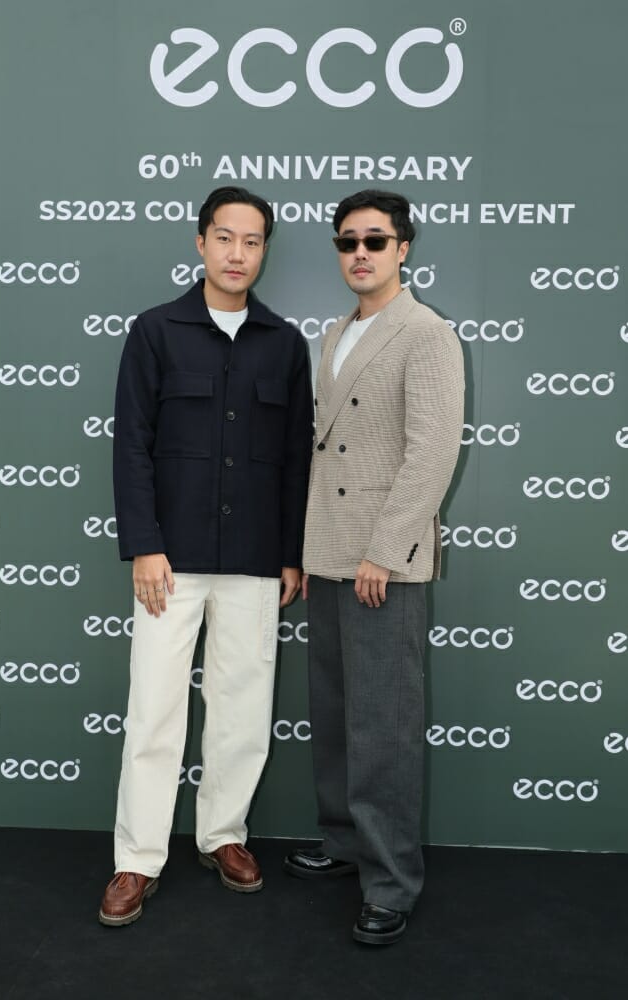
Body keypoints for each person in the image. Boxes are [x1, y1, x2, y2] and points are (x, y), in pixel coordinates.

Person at [99, 186, 313, 926]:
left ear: (264, 251)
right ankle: (137, 857)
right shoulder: (155, 331)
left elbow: (296, 459)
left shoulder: (283, 344)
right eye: (224, 237)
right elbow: (131, 444)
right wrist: (144, 545)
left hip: (255, 559)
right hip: (171, 561)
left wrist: (290, 554)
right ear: (200, 242)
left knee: (243, 711)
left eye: (251, 241)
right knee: (154, 711)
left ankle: (223, 835)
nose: (236, 253)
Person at [284, 189, 464, 945]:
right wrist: (305, 553)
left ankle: (390, 881)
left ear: (403, 249)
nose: (359, 253)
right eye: (347, 241)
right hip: (328, 552)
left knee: (383, 727)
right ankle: (344, 841)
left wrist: (385, 551)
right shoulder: (335, 332)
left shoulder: (427, 334)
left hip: (380, 563)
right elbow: (326, 453)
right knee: (333, 713)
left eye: (375, 241)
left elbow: (432, 453)